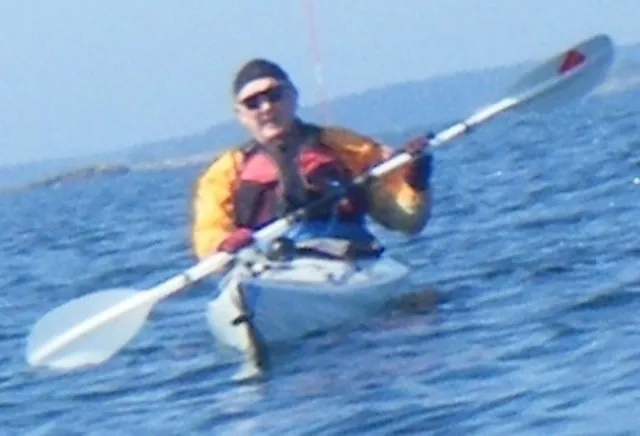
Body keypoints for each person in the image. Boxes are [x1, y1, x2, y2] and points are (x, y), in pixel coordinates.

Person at [190, 58, 434, 260]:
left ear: (293, 96)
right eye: (252, 103)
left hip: (348, 257)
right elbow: (209, 232)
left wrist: (414, 179)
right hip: (267, 263)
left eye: (274, 95)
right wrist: (222, 244)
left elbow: (408, 222)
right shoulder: (224, 173)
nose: (266, 107)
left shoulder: (346, 146)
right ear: (240, 114)